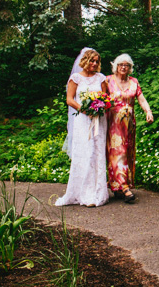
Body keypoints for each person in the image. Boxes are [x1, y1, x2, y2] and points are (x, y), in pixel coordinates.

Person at [56, 48, 110, 208]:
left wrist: (100, 107)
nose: (94, 64)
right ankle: (80, 192)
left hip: (98, 121)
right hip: (82, 120)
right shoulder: (75, 78)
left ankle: (97, 193)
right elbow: (69, 99)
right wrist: (84, 109)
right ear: (85, 61)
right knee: (84, 152)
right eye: (92, 60)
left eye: (97, 61)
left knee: (97, 152)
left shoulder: (101, 78)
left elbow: (105, 98)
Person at [105, 53, 153, 203]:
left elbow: (141, 98)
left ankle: (116, 187)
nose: (123, 67)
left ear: (130, 68)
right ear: (116, 66)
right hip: (113, 123)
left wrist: (148, 111)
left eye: (127, 65)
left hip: (129, 125)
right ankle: (124, 187)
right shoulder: (108, 81)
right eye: (121, 65)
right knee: (117, 153)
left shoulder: (134, 82)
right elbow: (99, 99)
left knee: (127, 153)